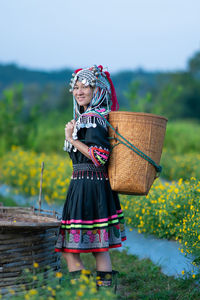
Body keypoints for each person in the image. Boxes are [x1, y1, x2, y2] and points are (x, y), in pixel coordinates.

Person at [55, 65, 126, 288]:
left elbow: (100, 157)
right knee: (97, 247)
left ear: (98, 91)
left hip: (89, 187)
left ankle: (87, 293)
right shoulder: (86, 118)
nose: (79, 91)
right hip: (86, 186)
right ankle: (100, 293)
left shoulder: (94, 119)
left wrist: (73, 140)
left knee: (71, 249)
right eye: (76, 87)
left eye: (85, 86)